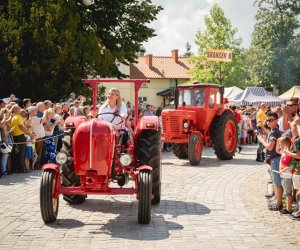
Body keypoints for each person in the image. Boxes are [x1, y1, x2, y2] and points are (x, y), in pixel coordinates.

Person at [257, 111, 282, 211]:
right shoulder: (274, 131)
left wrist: (262, 140)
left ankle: (279, 204)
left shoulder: (275, 131)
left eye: (270, 120)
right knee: (276, 182)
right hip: (273, 158)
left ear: (276, 120)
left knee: (277, 183)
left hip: (275, 158)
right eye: (267, 120)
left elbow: (270, 146)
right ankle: (277, 201)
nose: (268, 122)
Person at [276, 136, 293, 214]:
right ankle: (287, 207)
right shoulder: (283, 152)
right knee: (286, 192)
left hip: (287, 175)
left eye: (280, 145)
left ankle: (289, 209)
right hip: (284, 175)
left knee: (288, 193)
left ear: (285, 145)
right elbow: (277, 150)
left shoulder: (288, 153)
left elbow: (291, 166)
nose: (279, 147)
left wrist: (282, 170)